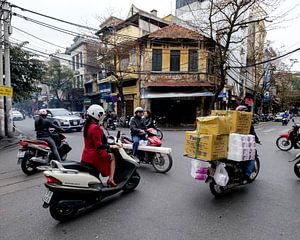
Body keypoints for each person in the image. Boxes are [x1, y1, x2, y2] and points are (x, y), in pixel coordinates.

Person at [81, 104, 119, 187]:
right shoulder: (95, 127)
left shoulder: (87, 125)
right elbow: (98, 145)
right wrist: (111, 146)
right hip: (95, 155)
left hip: (86, 155)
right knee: (112, 157)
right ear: (97, 115)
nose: (103, 116)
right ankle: (111, 179)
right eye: (101, 114)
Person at [235, 105, 261, 182]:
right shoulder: (248, 123)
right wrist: (257, 140)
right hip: (243, 145)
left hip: (234, 145)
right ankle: (247, 175)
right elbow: (253, 134)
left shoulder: (233, 121)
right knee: (252, 156)